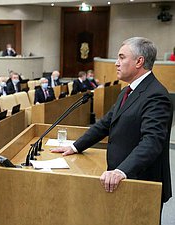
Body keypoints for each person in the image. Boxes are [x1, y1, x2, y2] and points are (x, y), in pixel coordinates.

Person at [51, 37, 173, 209]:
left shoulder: (156, 96)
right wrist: (75, 146)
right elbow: (105, 124)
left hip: (140, 182)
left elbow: (151, 142)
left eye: (122, 57)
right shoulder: (127, 91)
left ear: (139, 61)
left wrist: (122, 171)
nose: (116, 63)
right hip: (120, 179)